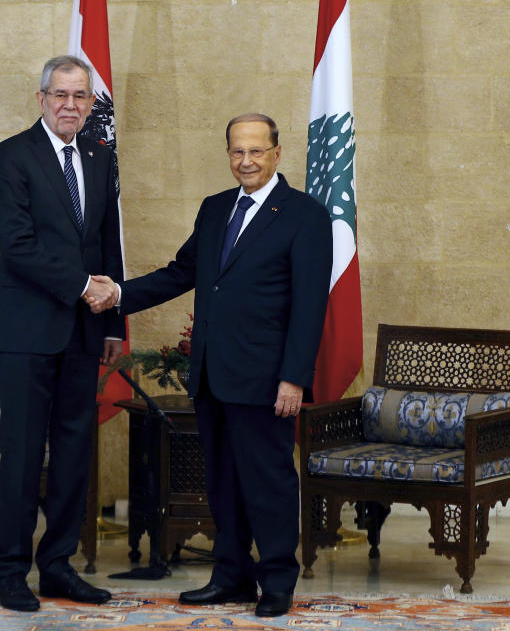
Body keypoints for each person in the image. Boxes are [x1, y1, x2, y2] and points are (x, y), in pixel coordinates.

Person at [89, 113, 332, 617]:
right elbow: (183, 272)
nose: (246, 161)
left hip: (266, 380)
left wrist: (293, 378)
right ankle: (232, 577)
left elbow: (310, 307)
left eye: (256, 151)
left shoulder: (305, 215)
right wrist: (118, 294)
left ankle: (278, 582)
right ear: (228, 155)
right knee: (222, 483)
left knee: (269, 483)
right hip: (212, 375)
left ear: (277, 154)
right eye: (237, 152)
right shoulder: (215, 208)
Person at [0, 55, 124, 612]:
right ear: (41, 98)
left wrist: (113, 317)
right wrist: (79, 286)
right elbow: (16, 245)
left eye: (80, 97)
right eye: (60, 95)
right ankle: (10, 572)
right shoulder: (12, 155)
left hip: (85, 331)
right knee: (22, 454)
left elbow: (108, 241)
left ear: (91, 104)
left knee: (72, 452)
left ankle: (58, 566)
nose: (70, 105)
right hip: (28, 329)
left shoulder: (100, 155)